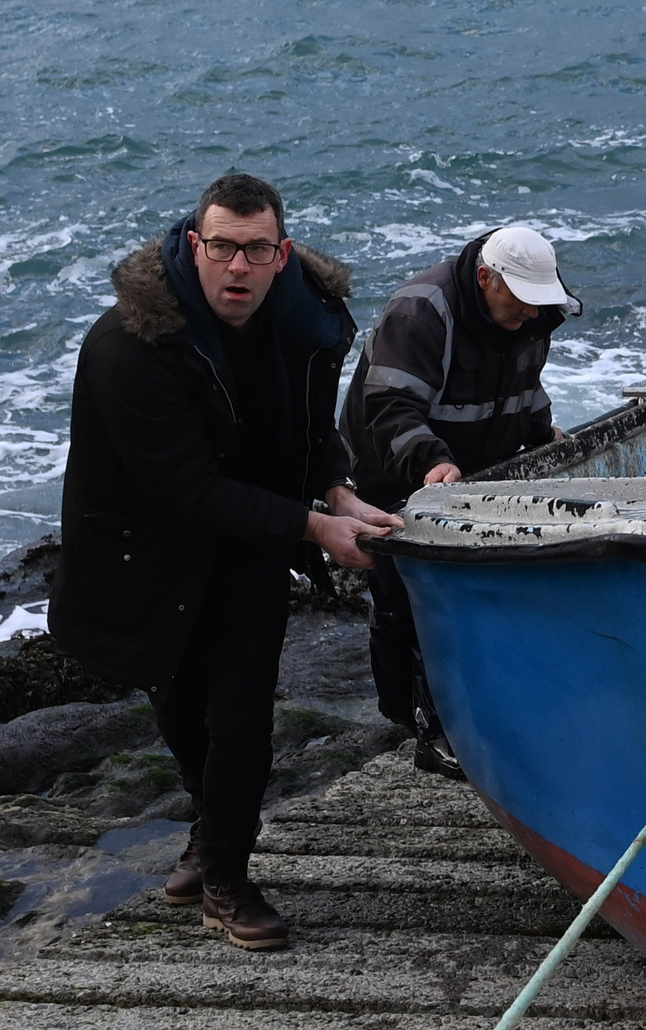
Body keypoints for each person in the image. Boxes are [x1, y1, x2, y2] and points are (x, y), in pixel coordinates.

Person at [51, 173, 399, 951]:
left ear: (282, 254)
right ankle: (210, 830)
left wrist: (338, 490)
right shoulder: (128, 345)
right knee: (181, 707)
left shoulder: (302, 321)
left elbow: (307, 427)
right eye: (222, 248)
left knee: (241, 719)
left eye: (256, 250)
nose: (238, 267)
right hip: (148, 546)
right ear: (193, 244)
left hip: (249, 540)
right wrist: (317, 527)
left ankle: (226, 882)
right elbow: (185, 487)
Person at [340, 227, 579, 776]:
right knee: (410, 601)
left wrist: (544, 439)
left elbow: (526, 387)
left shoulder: (531, 313)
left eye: (538, 302)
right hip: (394, 468)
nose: (531, 313)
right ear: (485, 278)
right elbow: (390, 405)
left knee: (482, 600)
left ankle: (487, 712)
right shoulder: (420, 314)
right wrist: (431, 462)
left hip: (473, 472)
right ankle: (423, 728)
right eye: (520, 300)